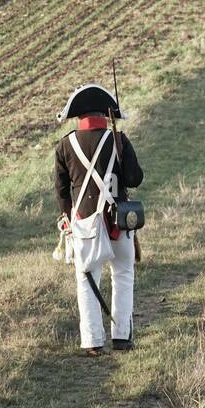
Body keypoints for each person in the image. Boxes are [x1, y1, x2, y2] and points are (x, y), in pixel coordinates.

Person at [54, 84, 143, 355]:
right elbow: (135, 179)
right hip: (119, 222)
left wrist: (69, 217)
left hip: (83, 223)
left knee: (87, 279)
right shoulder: (118, 139)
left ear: (77, 116)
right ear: (107, 113)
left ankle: (92, 341)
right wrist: (119, 149)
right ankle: (122, 337)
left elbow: (61, 190)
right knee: (123, 275)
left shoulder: (66, 144)